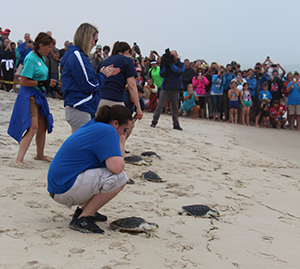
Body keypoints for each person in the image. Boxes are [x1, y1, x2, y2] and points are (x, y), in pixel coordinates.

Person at [47, 105, 132, 234]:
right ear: (116, 123)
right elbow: (117, 168)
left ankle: (83, 211)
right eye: (125, 129)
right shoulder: (108, 131)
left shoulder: (94, 125)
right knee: (120, 178)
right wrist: (122, 141)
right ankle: (83, 218)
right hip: (64, 189)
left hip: (58, 186)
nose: (124, 133)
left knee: (107, 171)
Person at [7, 32, 57, 164]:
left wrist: (49, 83)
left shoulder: (42, 58)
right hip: (29, 95)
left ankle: (40, 155)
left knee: (42, 126)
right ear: (41, 45)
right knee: (33, 127)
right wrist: (42, 83)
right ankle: (19, 159)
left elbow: (40, 76)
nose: (50, 50)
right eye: (49, 47)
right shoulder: (30, 58)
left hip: (39, 94)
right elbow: (23, 81)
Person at [61, 23, 120, 133]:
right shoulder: (77, 56)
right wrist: (103, 75)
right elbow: (89, 85)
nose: (95, 44)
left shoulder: (78, 56)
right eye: (95, 40)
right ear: (87, 38)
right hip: (80, 107)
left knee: (81, 146)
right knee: (82, 147)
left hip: (81, 107)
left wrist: (102, 74)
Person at [96, 41, 143, 122]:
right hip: (115, 100)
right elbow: (132, 86)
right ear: (127, 51)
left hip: (99, 100)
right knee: (127, 125)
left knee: (100, 128)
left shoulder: (104, 62)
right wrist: (138, 108)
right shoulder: (127, 61)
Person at [151, 50, 185, 130]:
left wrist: (171, 65)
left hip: (175, 88)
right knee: (160, 105)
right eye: (172, 55)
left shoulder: (181, 64)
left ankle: (176, 124)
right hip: (166, 87)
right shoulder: (165, 64)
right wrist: (165, 64)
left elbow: (179, 71)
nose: (174, 57)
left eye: (175, 55)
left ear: (177, 55)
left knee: (175, 107)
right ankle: (154, 121)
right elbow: (162, 74)